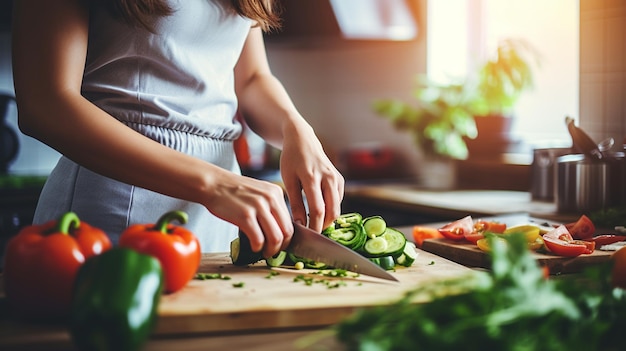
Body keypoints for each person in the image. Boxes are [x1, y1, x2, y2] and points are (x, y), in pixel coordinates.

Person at [11, 0, 344, 258]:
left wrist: (294, 127)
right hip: (119, 206)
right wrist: (213, 184)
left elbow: (252, 78)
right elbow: (45, 104)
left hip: (223, 207)